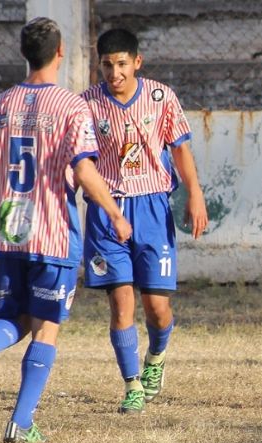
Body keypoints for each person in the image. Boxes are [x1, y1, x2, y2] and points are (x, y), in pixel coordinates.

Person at [0, 17, 131, 443]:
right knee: (46, 326)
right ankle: (21, 422)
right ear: (60, 52)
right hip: (52, 233)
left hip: (7, 231)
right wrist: (115, 213)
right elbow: (83, 170)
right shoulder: (70, 107)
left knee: (17, 318)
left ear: (23, 54)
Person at [80, 28, 208, 414]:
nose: (114, 73)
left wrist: (194, 193)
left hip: (153, 208)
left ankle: (156, 357)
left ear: (137, 62)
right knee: (121, 305)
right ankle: (132, 384)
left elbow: (180, 150)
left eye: (121, 64)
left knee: (156, 307)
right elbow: (79, 161)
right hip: (107, 212)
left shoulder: (160, 97)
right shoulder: (86, 104)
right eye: (107, 65)